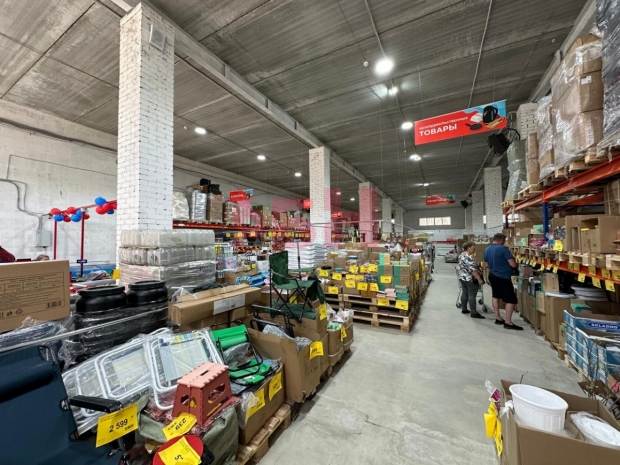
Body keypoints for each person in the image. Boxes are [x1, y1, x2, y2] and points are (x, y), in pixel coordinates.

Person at [483, 233, 522, 330]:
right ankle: (508, 322)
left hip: (492, 275)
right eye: (504, 241)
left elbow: (486, 265)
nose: (504, 242)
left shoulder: (487, 249)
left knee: (495, 296)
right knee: (511, 300)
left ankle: (498, 318)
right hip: (503, 277)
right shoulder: (503, 249)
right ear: (501, 240)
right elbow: (513, 264)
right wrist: (516, 265)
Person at [458, 242, 485, 319]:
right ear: (468, 248)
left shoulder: (461, 255)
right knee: (472, 295)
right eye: (473, 247)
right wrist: (479, 278)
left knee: (465, 293)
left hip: (463, 278)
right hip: (470, 279)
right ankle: (473, 312)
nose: (474, 249)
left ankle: (464, 309)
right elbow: (472, 270)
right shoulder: (469, 257)